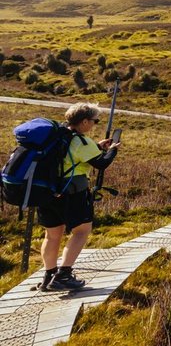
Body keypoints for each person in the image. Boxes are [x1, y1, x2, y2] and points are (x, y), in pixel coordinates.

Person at [38, 103, 120, 292]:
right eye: (94, 121)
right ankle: (63, 276)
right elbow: (101, 164)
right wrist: (113, 150)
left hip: (47, 192)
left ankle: (48, 277)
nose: (94, 124)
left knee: (51, 236)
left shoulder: (57, 136)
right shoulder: (81, 142)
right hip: (71, 193)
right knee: (82, 230)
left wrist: (98, 146)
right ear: (84, 121)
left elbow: (72, 156)